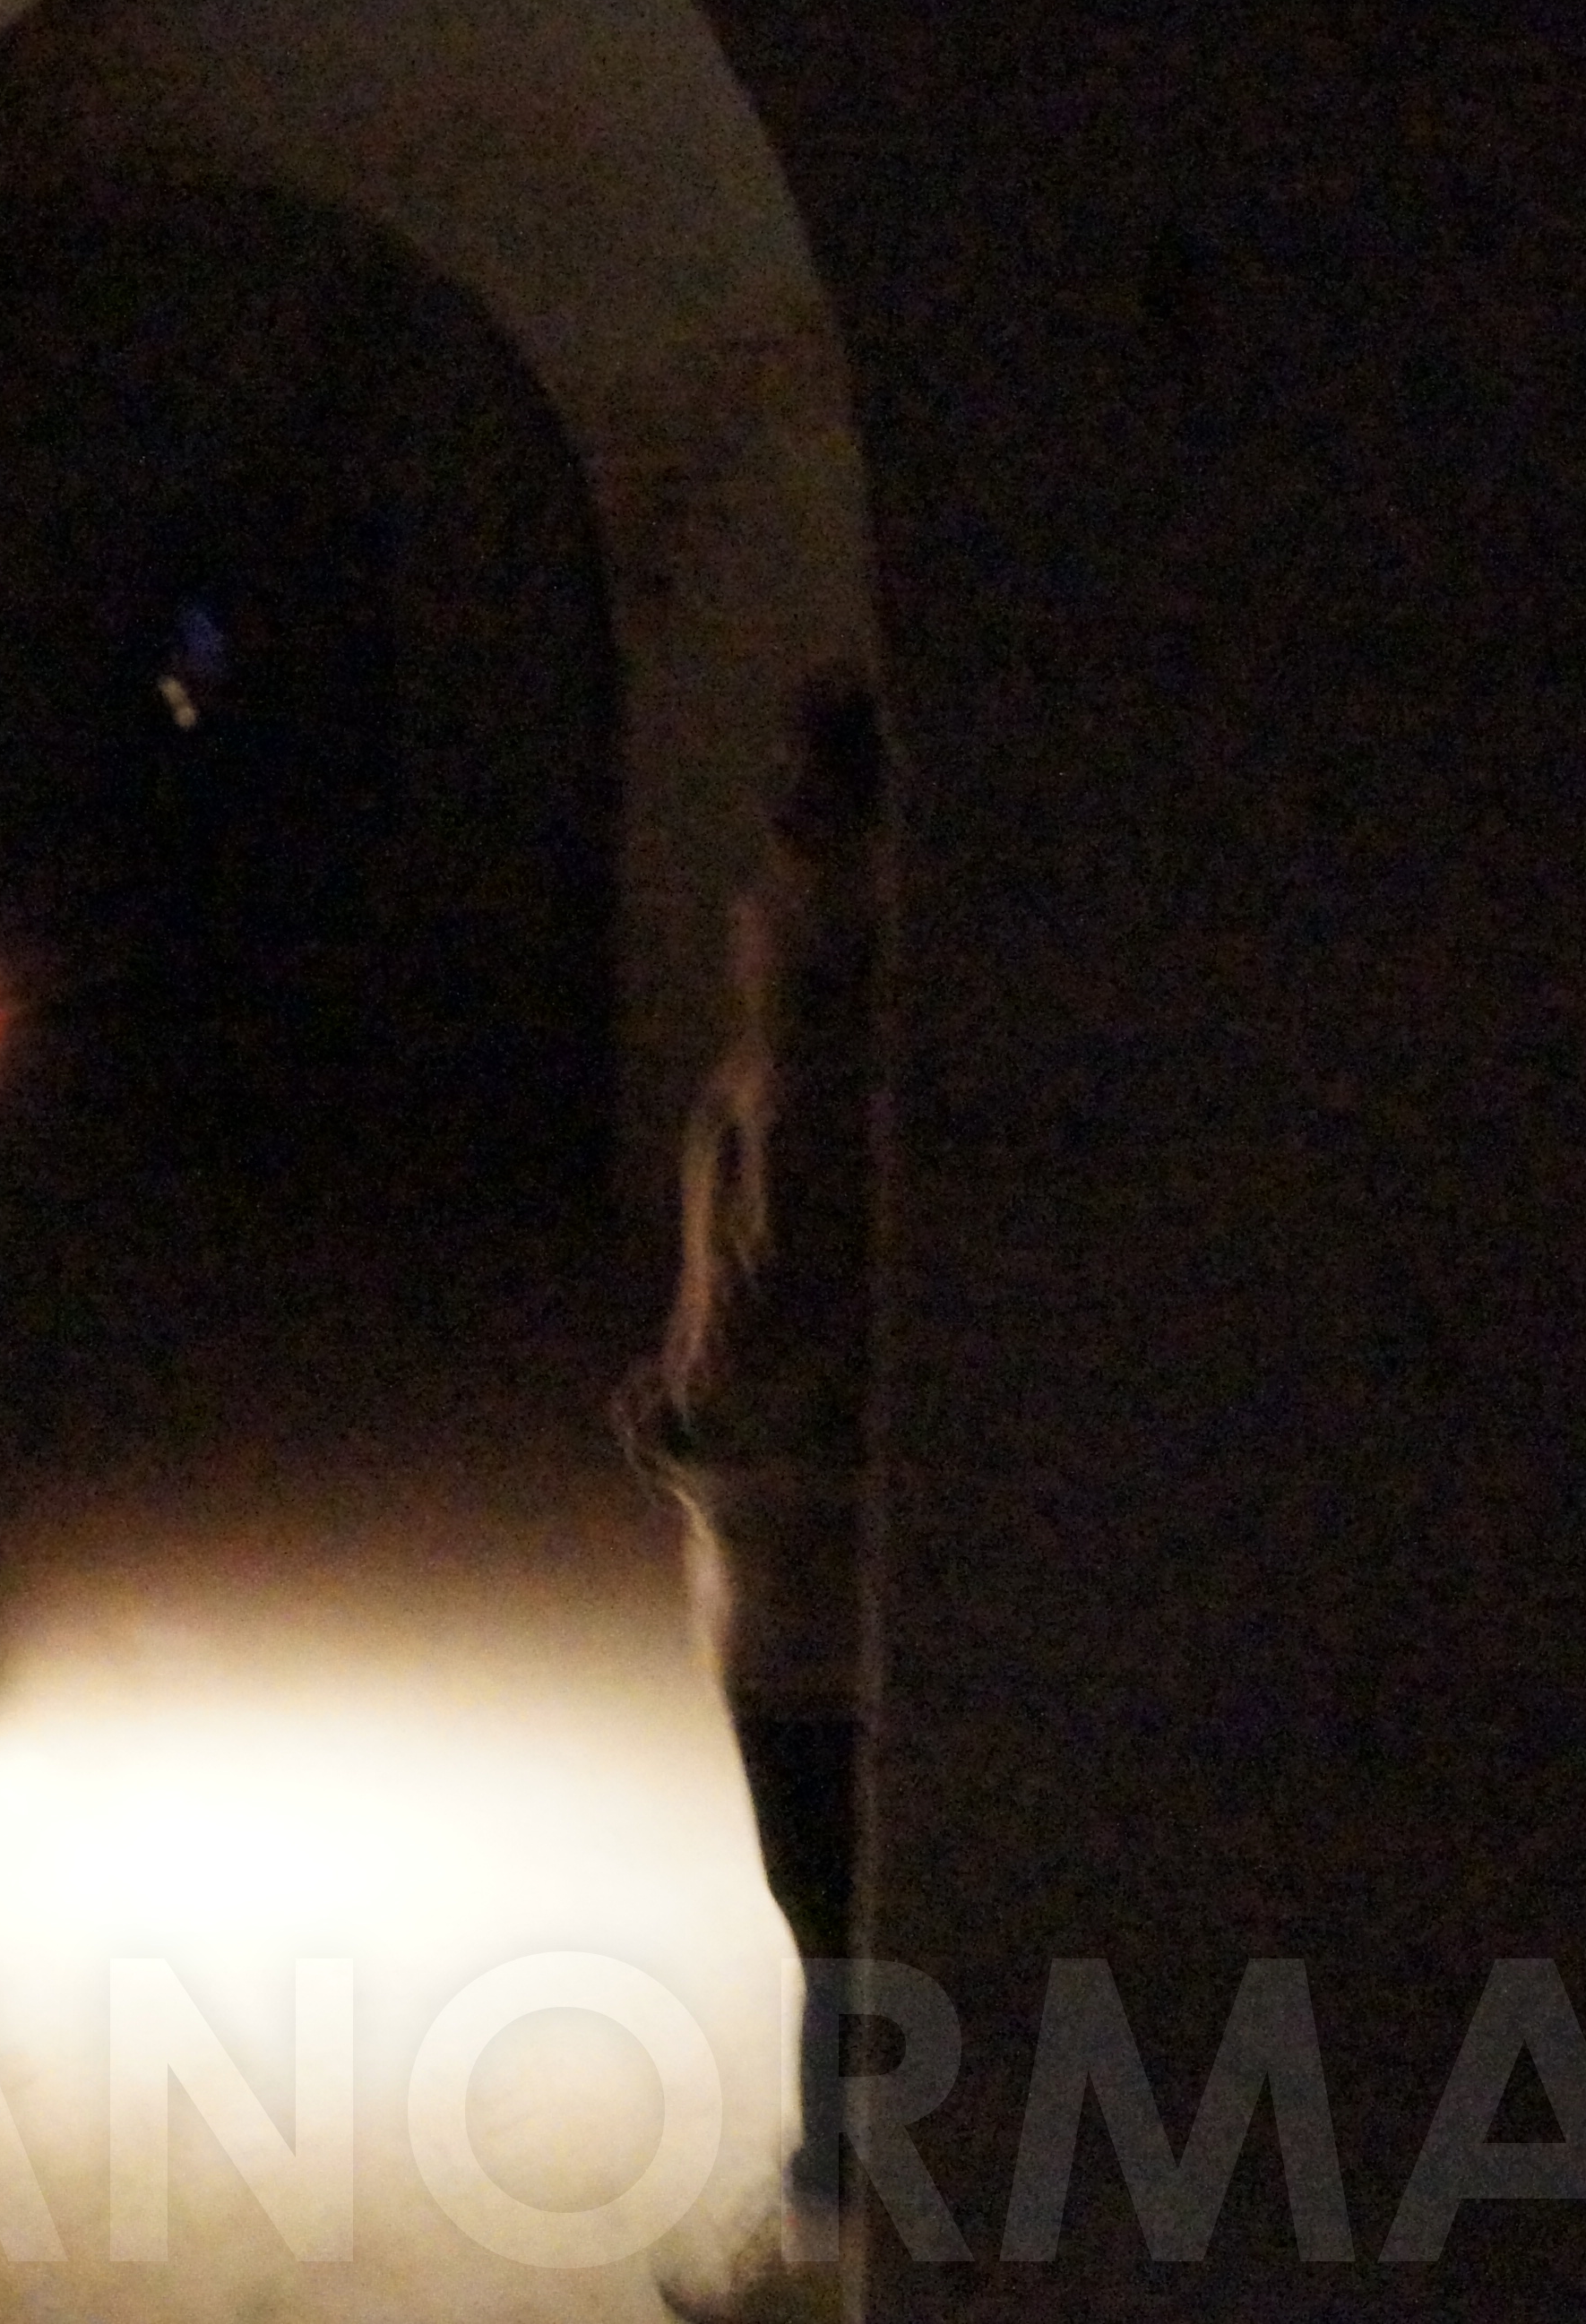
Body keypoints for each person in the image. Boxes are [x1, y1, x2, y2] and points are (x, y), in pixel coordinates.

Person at [631, 669, 893, 2323]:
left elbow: (777, 1296)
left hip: (806, 1532)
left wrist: (689, 1409)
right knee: (838, 1887)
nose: (779, 837)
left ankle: (830, 2223)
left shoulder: (827, 1042)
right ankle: (840, 2200)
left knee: (834, 1891)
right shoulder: (821, 1015)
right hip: (799, 1519)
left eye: (810, 803)